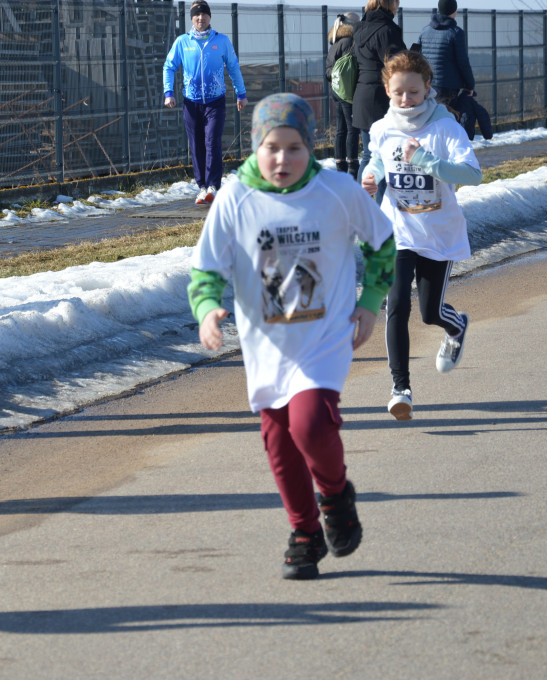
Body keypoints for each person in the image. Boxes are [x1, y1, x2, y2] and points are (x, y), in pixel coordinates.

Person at [188, 93, 396, 580]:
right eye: (272, 147)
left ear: (311, 147)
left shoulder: (337, 191)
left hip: (323, 338)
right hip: (268, 346)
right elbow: (205, 271)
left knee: (310, 426)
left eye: (295, 147)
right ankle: (305, 533)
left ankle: (335, 495)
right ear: (256, 146)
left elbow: (384, 246)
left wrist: (369, 304)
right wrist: (206, 312)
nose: (283, 159)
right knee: (279, 443)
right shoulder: (235, 198)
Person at [360, 50, 482, 421]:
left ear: (427, 88)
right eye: (398, 92)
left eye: (413, 92)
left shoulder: (445, 128)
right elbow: (379, 159)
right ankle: (401, 389)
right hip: (396, 230)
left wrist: (426, 162)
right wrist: (371, 176)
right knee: (395, 304)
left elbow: (472, 174)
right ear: (387, 90)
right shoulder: (383, 127)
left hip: (437, 232)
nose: (405, 99)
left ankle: (456, 324)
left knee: (430, 312)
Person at [163, 0, 247, 206]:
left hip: (215, 101)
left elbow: (233, 67)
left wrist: (241, 93)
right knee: (197, 144)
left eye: (204, 14)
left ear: (210, 17)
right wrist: (169, 92)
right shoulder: (183, 41)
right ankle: (201, 186)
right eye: (196, 15)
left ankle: (213, 186)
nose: (201, 18)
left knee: (212, 141)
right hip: (191, 102)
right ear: (192, 18)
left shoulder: (222, 41)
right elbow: (169, 66)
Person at [350, 0, 406, 193]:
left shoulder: (359, 28)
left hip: (362, 95)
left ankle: (360, 207)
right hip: (382, 98)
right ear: (391, 4)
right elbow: (398, 66)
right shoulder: (388, 30)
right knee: (385, 157)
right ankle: (383, 212)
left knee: (368, 155)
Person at [417, 0, 477, 138]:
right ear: (454, 11)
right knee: (449, 121)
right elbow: (463, 62)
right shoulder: (456, 33)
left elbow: (416, 54)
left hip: (428, 84)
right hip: (449, 87)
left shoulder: (425, 30)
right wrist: (470, 85)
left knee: (431, 120)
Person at [325, 11, 359, 176]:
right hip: (347, 91)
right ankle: (352, 164)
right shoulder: (351, 42)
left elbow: (328, 70)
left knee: (341, 129)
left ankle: (340, 163)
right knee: (352, 128)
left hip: (335, 89)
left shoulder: (335, 42)